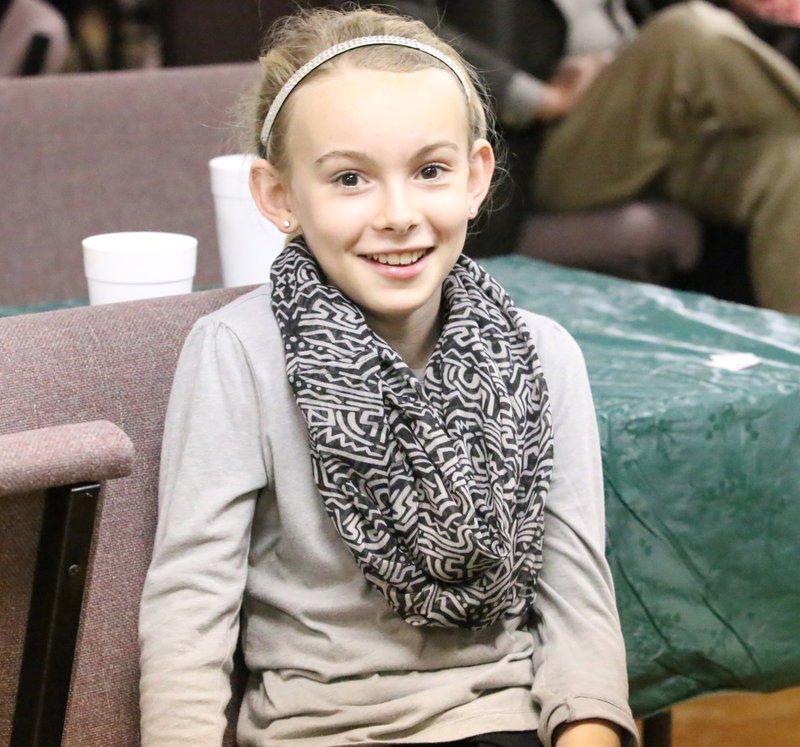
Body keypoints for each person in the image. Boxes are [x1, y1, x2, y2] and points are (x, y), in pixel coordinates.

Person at [138, 6, 638, 746]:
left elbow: (577, 604)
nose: (398, 214)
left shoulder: (546, 353)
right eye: (350, 178)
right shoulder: (235, 353)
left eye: (430, 171)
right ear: (279, 197)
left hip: (500, 720)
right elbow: (190, 608)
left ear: (476, 177)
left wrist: (587, 730)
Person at [389, 0, 800, 315]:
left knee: (791, 161)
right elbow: (396, 23)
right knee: (684, 32)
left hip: (667, 126)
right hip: (541, 147)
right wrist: (537, 99)